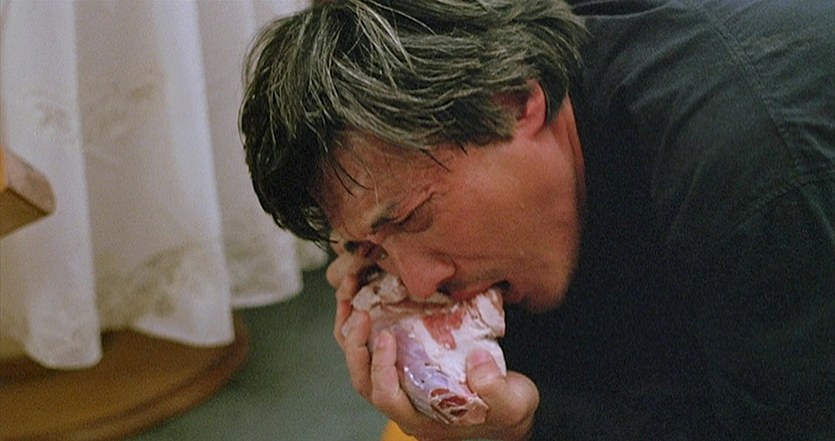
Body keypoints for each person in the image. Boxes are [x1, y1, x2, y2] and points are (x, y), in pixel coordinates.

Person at [238, 0, 835, 439]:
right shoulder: (533, 201)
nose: (419, 281)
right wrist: (448, 359)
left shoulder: (749, 175)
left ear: (516, 101)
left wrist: (534, 428)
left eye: (413, 217)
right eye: (371, 249)